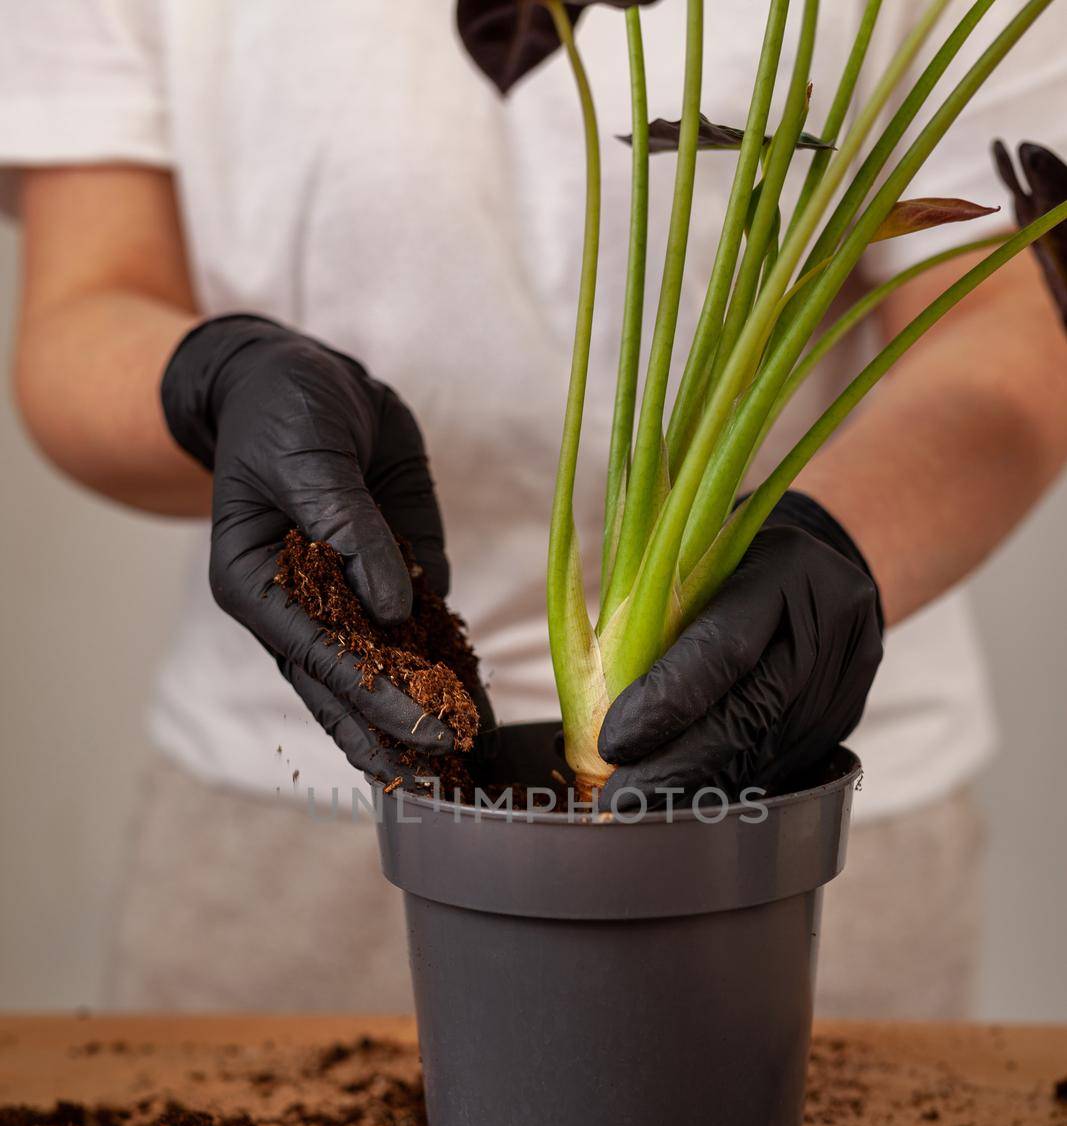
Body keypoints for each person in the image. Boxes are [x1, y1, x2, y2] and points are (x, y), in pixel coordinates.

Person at [2, 2, 1066, 1018]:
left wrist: (840, 551)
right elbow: (83, 303)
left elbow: (1002, 324)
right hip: (298, 786)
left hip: (779, 792)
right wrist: (216, 382)